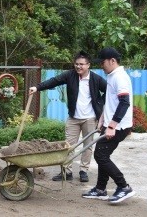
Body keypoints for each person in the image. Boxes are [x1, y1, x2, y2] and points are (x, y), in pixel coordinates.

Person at [29, 51, 107, 182]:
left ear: (88, 65)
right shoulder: (70, 75)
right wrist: (37, 88)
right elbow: (54, 81)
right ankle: (67, 171)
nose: (78, 67)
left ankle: (83, 171)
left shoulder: (96, 79)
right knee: (68, 146)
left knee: (87, 146)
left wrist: (100, 103)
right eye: (76, 64)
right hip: (73, 118)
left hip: (90, 118)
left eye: (81, 64)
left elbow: (109, 91)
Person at [82, 47, 135, 203]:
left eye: (103, 62)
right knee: (102, 154)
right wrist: (102, 120)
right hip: (111, 124)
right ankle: (100, 189)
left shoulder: (120, 77)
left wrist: (112, 126)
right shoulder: (112, 76)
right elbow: (110, 101)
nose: (101, 66)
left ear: (112, 60)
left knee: (101, 155)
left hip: (119, 126)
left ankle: (123, 186)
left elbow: (124, 102)